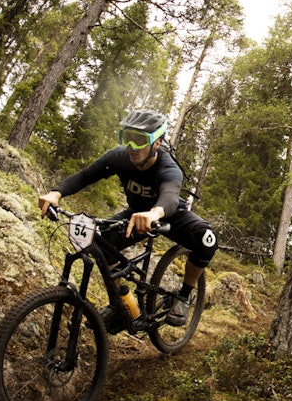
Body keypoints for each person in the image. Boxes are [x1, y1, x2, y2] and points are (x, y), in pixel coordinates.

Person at [38, 109, 217, 326]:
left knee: (208, 239)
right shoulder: (119, 157)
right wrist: (56, 193)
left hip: (170, 214)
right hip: (134, 214)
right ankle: (121, 303)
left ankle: (185, 295)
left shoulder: (167, 167)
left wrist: (153, 213)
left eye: (140, 140)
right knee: (101, 242)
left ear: (157, 144)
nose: (132, 147)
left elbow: (170, 196)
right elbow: (86, 175)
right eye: (127, 138)